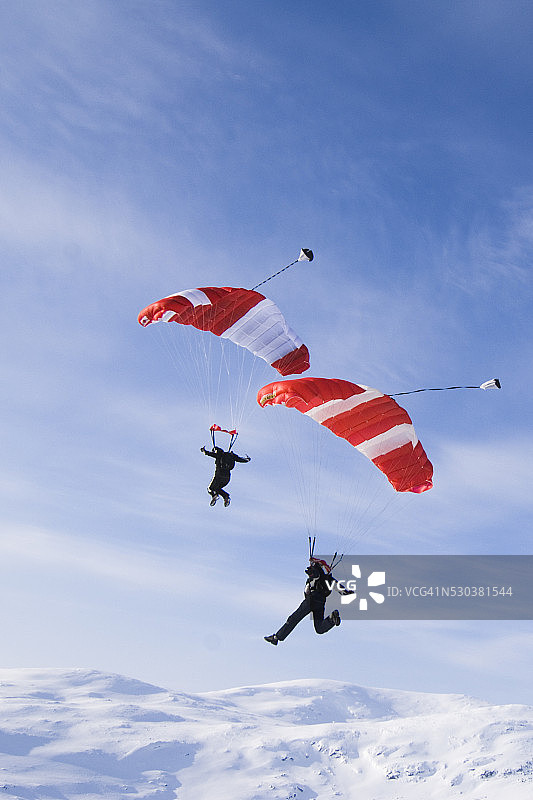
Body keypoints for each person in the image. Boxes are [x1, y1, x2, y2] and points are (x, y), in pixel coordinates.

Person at [264, 557, 354, 645]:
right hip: (321, 603)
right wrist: (349, 592)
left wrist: (312, 575)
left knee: (293, 619)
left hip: (311, 600)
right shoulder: (329, 580)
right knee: (319, 629)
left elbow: (314, 579)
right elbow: (342, 591)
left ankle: (277, 637)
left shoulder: (316, 574)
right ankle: (331, 619)